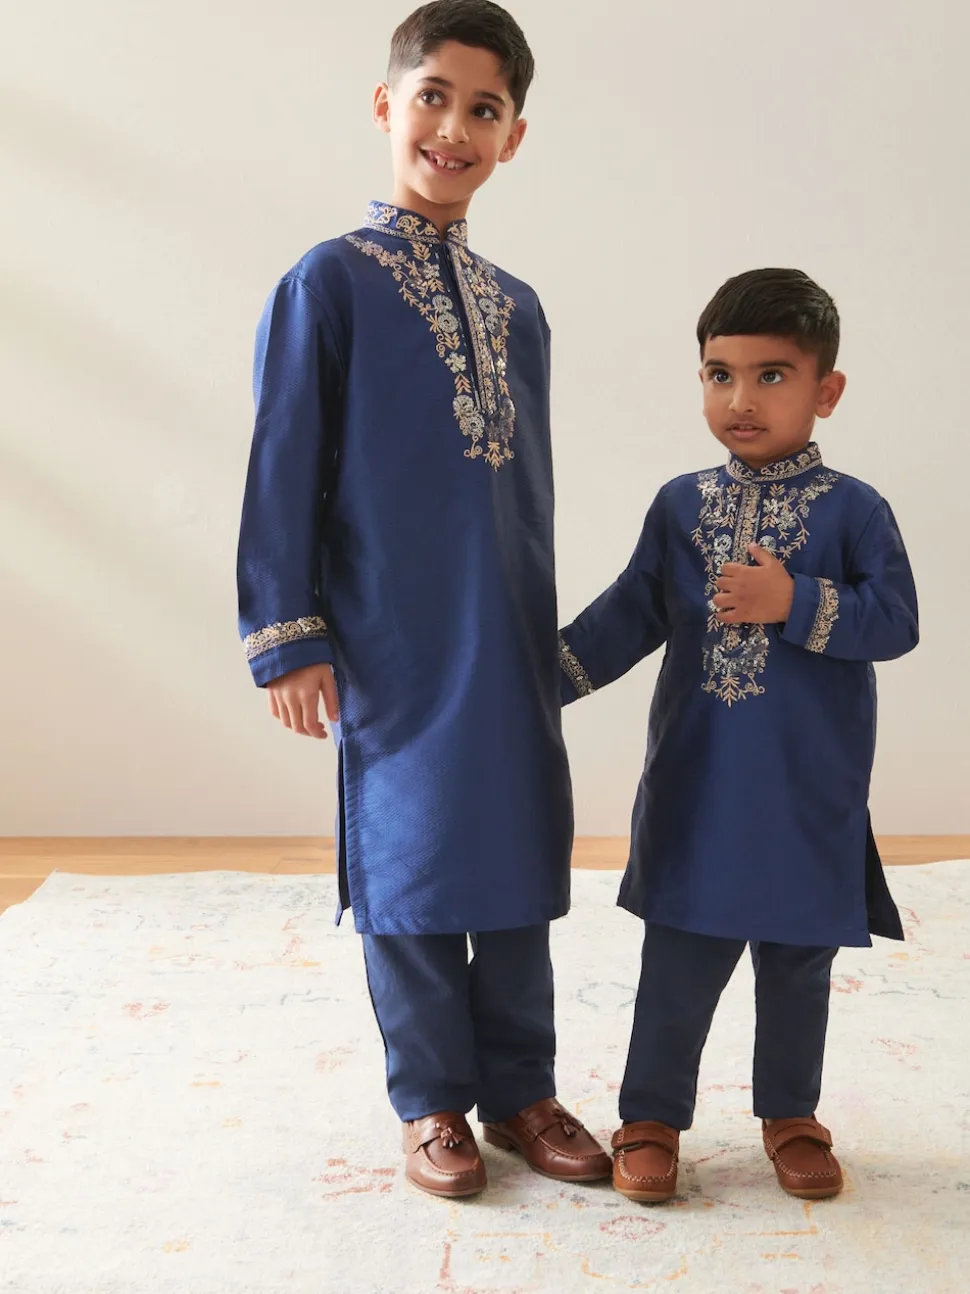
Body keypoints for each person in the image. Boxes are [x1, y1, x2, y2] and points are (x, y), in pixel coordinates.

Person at [236, 0, 611, 1199]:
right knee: (411, 860)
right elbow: (284, 461)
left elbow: (526, 487)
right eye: (433, 97)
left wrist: (542, 635)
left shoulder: (519, 307)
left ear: (513, 137)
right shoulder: (328, 282)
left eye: (483, 109)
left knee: (515, 853)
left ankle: (522, 1089)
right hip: (389, 634)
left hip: (505, 629)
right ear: (386, 104)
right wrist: (288, 633)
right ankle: (432, 1101)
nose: (453, 128)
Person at [558, 268, 918, 1203]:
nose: (741, 400)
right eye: (720, 375)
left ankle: (792, 1116)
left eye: (771, 376)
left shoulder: (855, 509)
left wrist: (794, 600)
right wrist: (535, 686)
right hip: (699, 780)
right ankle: (649, 1116)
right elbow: (629, 613)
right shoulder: (680, 505)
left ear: (826, 391)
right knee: (679, 956)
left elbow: (896, 623)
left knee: (796, 962)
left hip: (807, 787)